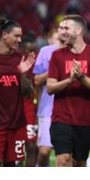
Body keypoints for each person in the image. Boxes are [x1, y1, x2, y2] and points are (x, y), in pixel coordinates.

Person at [47, 14, 90, 167]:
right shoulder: (56, 55)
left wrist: (81, 76)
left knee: (80, 163)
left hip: (86, 120)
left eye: (66, 28)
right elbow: (50, 87)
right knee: (63, 160)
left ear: (79, 30)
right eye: (60, 28)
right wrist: (70, 80)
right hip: (61, 119)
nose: (62, 32)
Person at [0, 19, 35, 167]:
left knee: (15, 166)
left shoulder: (20, 58)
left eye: (21, 36)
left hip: (17, 124)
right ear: (4, 35)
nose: (19, 40)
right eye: (16, 36)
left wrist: (22, 74)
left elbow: (29, 93)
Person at [33, 27, 64, 167]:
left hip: (68, 109)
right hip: (47, 108)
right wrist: (53, 68)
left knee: (66, 155)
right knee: (44, 151)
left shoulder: (76, 52)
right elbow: (37, 80)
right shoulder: (46, 51)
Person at [18, 32, 39, 167]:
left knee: (32, 146)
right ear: (21, 50)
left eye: (33, 51)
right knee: (17, 149)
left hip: (31, 109)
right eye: (27, 51)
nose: (30, 54)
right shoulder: (16, 63)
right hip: (16, 109)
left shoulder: (39, 63)